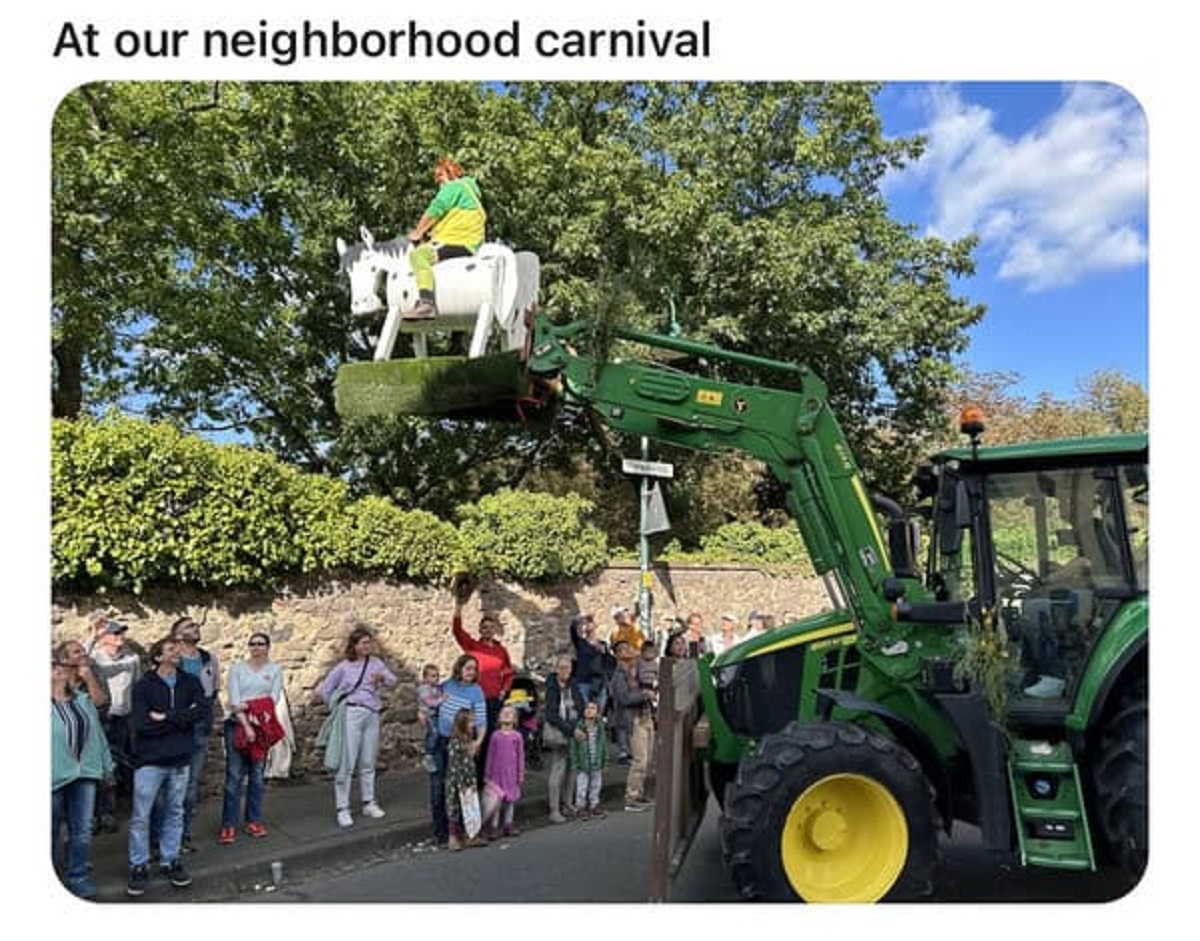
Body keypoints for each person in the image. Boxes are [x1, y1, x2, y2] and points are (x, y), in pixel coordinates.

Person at [126, 636, 203, 896]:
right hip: (150, 760)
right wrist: (181, 719)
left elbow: (200, 711)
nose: (177, 652)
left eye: (177, 649)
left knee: (175, 811)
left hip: (180, 758)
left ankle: (171, 860)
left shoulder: (189, 682)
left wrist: (167, 716)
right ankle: (139, 865)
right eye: (170, 649)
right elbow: (142, 724)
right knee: (141, 815)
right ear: (158, 657)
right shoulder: (143, 686)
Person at [317, 626, 398, 828]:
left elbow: (393, 680)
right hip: (351, 713)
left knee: (368, 761)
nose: (368, 646)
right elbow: (325, 689)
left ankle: (368, 802)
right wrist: (337, 705)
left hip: (371, 714)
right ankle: (342, 807)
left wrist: (383, 678)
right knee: (347, 761)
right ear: (354, 645)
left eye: (369, 642)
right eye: (363, 642)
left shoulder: (376, 663)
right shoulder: (344, 667)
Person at [52, 645, 113, 899]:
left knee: (82, 829)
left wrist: (107, 766)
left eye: (61, 667)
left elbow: (98, 732)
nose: (61, 671)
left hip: (84, 773)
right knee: (49, 828)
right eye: (55, 668)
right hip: (53, 774)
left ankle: (77, 875)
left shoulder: (81, 699)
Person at [218, 632, 283, 845]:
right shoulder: (237, 669)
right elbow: (235, 700)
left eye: (261, 644)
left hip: (261, 727)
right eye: (252, 644)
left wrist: (249, 705)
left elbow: (272, 699)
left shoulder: (274, 670)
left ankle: (253, 820)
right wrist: (246, 724)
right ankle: (228, 824)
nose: (256, 648)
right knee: (234, 776)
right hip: (237, 725)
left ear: (268, 647)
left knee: (256, 776)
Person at [403, 157, 487, 320]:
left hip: (458, 241)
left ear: (450, 173)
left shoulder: (454, 187)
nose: (438, 182)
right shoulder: (470, 191)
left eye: (440, 177)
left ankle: (426, 303)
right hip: (469, 243)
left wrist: (418, 232)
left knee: (419, 255)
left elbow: (435, 210)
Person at [450, 578, 514, 779]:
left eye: (490, 627)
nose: (487, 630)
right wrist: (458, 606)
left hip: (494, 701)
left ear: (495, 629)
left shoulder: (500, 650)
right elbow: (457, 631)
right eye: (484, 627)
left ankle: (489, 776)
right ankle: (473, 777)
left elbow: (509, 673)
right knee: (474, 737)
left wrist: (504, 689)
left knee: (491, 739)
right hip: (475, 701)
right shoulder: (472, 647)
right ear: (480, 630)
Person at [168, 616, 219, 854]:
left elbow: (213, 692)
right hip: (176, 730)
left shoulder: (208, 659)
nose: (195, 628)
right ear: (178, 635)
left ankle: (184, 836)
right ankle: (165, 837)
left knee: (190, 788)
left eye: (196, 625)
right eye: (189, 627)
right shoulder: (172, 659)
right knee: (170, 787)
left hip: (199, 728)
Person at [428, 654, 487, 846]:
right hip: (441, 742)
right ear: (459, 668)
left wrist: (477, 742)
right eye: (468, 668)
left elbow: (481, 720)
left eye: (474, 669)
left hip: (462, 745)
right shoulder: (446, 685)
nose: (472, 672)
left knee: (464, 787)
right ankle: (442, 832)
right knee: (440, 787)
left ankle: (467, 831)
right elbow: (430, 705)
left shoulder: (476, 691)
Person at [90, 619, 142, 834]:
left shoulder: (132, 658)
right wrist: (92, 636)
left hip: (126, 717)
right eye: (115, 632)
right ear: (104, 638)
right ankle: (103, 814)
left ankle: (129, 810)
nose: (120, 635)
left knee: (129, 764)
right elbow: (77, 662)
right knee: (104, 767)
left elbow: (138, 686)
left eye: (122, 631)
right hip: (103, 717)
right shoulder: (95, 659)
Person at [610, 639, 657, 813]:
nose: (628, 650)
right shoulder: (619, 676)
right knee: (640, 760)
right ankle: (631, 797)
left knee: (649, 759)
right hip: (634, 719)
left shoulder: (635, 671)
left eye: (628, 647)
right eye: (623, 649)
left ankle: (639, 793)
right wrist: (645, 694)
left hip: (646, 716)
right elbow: (624, 699)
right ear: (617, 655)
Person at [542, 653, 584, 823]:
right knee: (558, 769)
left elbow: (580, 705)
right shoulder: (552, 686)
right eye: (562, 668)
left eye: (568, 667)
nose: (565, 671)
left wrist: (577, 727)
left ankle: (568, 803)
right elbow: (551, 714)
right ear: (556, 669)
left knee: (573, 768)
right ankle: (554, 809)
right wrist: (570, 730)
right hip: (559, 733)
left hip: (573, 730)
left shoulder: (573, 684)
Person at [445, 707, 487, 851]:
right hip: (456, 782)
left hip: (469, 780)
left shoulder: (469, 740)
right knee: (454, 809)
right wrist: (461, 784)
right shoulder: (455, 742)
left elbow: (470, 764)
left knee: (470, 809)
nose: (473, 725)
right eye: (471, 722)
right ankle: (452, 839)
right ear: (462, 723)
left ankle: (471, 836)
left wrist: (472, 782)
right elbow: (455, 764)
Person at [482, 704, 525, 839]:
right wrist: (487, 773)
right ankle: (494, 827)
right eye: (504, 712)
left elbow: (520, 756)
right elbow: (490, 754)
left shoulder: (517, 736)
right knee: (497, 801)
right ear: (499, 717)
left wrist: (520, 773)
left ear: (515, 719)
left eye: (510, 713)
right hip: (496, 775)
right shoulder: (495, 735)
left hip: (511, 774)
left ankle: (508, 825)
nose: (506, 714)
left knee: (510, 801)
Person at [570, 699, 608, 819]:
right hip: (583, 763)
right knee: (582, 786)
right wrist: (575, 763)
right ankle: (580, 807)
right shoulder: (579, 727)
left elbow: (604, 746)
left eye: (593, 708)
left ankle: (594, 805)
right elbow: (573, 747)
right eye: (587, 708)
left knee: (596, 785)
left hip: (596, 762)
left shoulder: (600, 728)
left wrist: (604, 761)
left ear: (597, 713)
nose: (589, 710)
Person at [568, 612, 608, 713]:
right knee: (584, 711)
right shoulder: (580, 643)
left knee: (599, 712)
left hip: (599, 682)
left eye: (590, 623)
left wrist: (603, 651)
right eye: (585, 624)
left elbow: (607, 663)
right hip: (583, 681)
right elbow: (572, 630)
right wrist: (578, 619)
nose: (588, 626)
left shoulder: (602, 644)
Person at [416, 663, 447, 774]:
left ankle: (432, 753)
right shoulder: (423, 689)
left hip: (435, 715)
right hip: (428, 715)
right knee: (434, 733)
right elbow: (430, 703)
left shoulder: (437, 688)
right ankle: (428, 755)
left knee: (437, 734)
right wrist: (442, 699)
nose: (436, 678)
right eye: (433, 676)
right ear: (425, 678)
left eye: (437, 675)